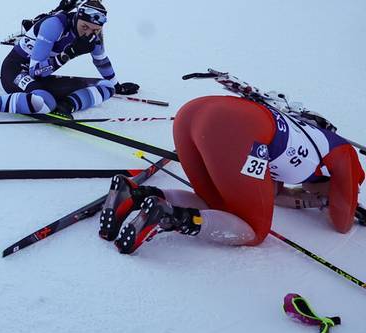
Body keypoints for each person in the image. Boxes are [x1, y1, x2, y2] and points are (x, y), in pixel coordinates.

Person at [103, 95, 364, 255]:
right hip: (235, 130)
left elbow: (269, 195)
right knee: (255, 231)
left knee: (218, 205)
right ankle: (172, 216)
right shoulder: (343, 153)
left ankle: (136, 195)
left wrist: (313, 200)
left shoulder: (303, 145)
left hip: (194, 113)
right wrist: (336, 199)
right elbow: (342, 223)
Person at [0, 0, 138, 121]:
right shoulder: (54, 25)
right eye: (84, 26)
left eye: (94, 29)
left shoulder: (94, 36)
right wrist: (68, 54)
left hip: (42, 77)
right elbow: (35, 70)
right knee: (44, 103)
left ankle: (67, 105)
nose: (87, 32)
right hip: (17, 71)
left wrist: (117, 85)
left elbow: (101, 61)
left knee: (107, 87)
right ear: (77, 17)